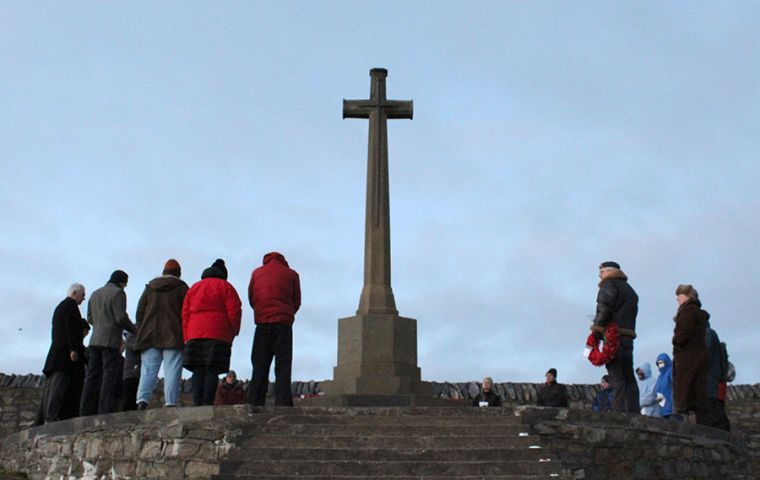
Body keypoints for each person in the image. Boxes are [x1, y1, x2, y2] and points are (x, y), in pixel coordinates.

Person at [182, 259, 242, 406]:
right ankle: (207, 404)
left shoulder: (194, 288)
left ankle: (197, 403)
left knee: (197, 370)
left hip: (195, 334)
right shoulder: (226, 287)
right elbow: (234, 312)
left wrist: (187, 335)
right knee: (211, 370)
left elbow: (185, 314)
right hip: (218, 335)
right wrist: (233, 332)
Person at [246, 252, 301, 407]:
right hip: (283, 324)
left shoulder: (256, 273)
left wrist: (262, 312)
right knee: (283, 364)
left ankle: (256, 401)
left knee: (260, 364)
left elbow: (252, 297)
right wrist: (286, 313)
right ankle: (283, 402)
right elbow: (296, 300)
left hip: (263, 323)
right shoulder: (292, 274)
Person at [134, 259, 189, 410]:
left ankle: (142, 401)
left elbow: (139, 313)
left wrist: (143, 328)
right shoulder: (182, 288)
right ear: (179, 274)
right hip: (174, 334)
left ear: (164, 272)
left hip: (149, 335)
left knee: (148, 370)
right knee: (172, 369)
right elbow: (187, 313)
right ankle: (170, 403)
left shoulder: (150, 287)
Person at [80, 270, 136, 416]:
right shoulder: (118, 293)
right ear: (122, 282)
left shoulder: (95, 294)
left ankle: (85, 411)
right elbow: (121, 318)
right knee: (108, 377)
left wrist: (100, 325)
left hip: (94, 340)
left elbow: (90, 318)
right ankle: (103, 411)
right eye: (125, 284)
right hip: (110, 341)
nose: (125, 287)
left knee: (92, 377)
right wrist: (135, 330)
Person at [590, 261, 640, 413]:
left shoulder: (609, 286)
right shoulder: (630, 290)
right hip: (628, 336)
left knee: (616, 375)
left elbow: (603, 309)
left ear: (609, 271)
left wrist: (597, 331)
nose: (600, 275)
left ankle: (619, 411)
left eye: (602, 271)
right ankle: (632, 409)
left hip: (613, 337)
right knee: (628, 375)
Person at [42, 283, 88, 423]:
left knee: (54, 388)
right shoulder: (70, 307)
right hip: (64, 356)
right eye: (82, 295)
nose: (83, 298)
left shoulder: (61, 307)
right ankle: (51, 416)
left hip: (58, 354)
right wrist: (73, 349)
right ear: (74, 293)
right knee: (58, 387)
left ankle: (49, 416)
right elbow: (71, 329)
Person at [672, 284, 708, 421]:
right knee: (695, 389)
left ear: (687, 296)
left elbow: (683, 335)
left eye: (679, 296)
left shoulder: (688, 311)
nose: (677, 299)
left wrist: (676, 340)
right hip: (696, 355)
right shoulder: (697, 312)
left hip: (687, 356)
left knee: (687, 389)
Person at [698, 320, 731, 430]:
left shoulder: (707, 334)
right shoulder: (707, 334)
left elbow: (702, 356)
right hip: (710, 385)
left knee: (711, 417)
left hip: (709, 385)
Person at [654, 353, 677, 419]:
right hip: (663, 411)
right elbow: (658, 393)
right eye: (658, 363)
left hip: (672, 411)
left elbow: (675, 388)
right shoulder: (659, 377)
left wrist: (673, 405)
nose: (660, 365)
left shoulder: (671, 372)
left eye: (661, 362)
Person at [121, 332, 140, 411]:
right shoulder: (132, 336)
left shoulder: (131, 336)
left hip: (132, 372)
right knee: (129, 400)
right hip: (132, 372)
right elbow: (136, 348)